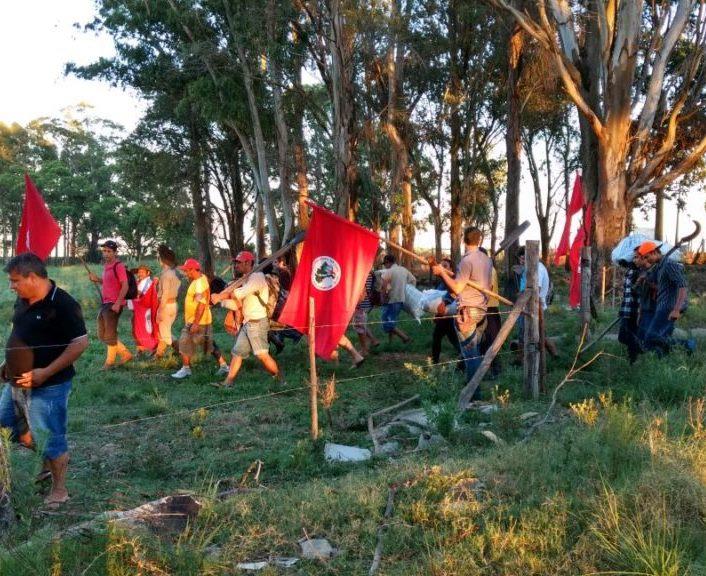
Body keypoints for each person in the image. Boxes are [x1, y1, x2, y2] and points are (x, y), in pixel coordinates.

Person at [0, 253, 89, 507]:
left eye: (15, 280)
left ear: (32, 277)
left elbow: (80, 343)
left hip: (49, 385)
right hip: (17, 380)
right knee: (7, 426)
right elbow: (22, 332)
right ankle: (46, 460)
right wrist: (9, 363)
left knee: (50, 437)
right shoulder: (23, 300)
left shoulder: (63, 304)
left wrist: (45, 372)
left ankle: (59, 490)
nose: (11, 286)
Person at [432, 226, 492, 400]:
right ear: (479, 240)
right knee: (475, 352)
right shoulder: (487, 260)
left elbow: (457, 288)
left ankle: (474, 395)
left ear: (463, 240)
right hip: (482, 310)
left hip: (468, 312)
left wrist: (442, 273)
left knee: (470, 355)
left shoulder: (466, 261)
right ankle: (473, 388)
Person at [211, 251, 286, 388]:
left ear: (247, 263)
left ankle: (280, 379)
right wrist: (222, 300)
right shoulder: (247, 277)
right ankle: (228, 383)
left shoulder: (256, 278)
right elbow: (238, 301)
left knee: (262, 355)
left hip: (257, 323)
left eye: (238, 262)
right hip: (248, 322)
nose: (236, 265)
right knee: (237, 353)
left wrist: (219, 297)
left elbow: (239, 294)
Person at [171, 258, 228, 379]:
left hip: (197, 321)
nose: (186, 273)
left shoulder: (200, 283)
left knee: (184, 342)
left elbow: (201, 304)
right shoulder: (199, 280)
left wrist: (195, 323)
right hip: (202, 320)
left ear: (192, 270)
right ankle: (224, 366)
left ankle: (186, 369)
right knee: (209, 344)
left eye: (187, 270)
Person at [637, 241, 695, 356]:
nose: (647, 261)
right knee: (656, 338)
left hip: (669, 307)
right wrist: (647, 282)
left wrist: (676, 309)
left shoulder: (669, 264)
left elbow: (682, 285)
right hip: (662, 305)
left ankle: (688, 344)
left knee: (650, 337)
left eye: (647, 257)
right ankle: (663, 358)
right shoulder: (660, 266)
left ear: (654, 252)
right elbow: (663, 287)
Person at [87, 240, 132, 369]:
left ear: (115, 252)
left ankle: (109, 362)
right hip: (105, 303)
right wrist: (98, 280)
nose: (106, 254)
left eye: (109, 251)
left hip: (113, 304)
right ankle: (125, 353)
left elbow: (125, 286)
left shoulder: (118, 266)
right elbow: (109, 283)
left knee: (110, 334)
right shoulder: (106, 266)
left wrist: (118, 303)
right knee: (102, 334)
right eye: (104, 251)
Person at [430, 258, 461, 366]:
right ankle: (464, 358)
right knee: (447, 337)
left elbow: (452, 295)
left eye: (445, 266)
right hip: (442, 315)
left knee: (442, 337)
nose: (442, 268)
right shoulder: (442, 281)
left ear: (451, 269)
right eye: (441, 266)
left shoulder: (452, 281)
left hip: (449, 314)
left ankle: (435, 362)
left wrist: (445, 302)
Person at [380, 254, 415, 344]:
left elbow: (384, 287)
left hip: (389, 300)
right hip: (400, 299)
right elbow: (413, 280)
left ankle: (405, 338)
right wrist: (408, 290)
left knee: (386, 324)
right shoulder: (404, 270)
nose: (385, 266)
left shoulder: (388, 272)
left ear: (388, 262)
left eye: (385, 264)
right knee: (391, 320)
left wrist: (383, 298)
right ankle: (391, 342)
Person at [478, 249, 502, 377]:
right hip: (484, 308)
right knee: (482, 340)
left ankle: (495, 369)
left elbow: (488, 290)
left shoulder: (488, 270)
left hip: (489, 308)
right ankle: (480, 367)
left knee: (491, 339)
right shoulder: (485, 269)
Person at [155, 245, 180, 358]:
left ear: (162, 259)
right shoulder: (173, 272)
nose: (157, 259)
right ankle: (158, 354)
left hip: (166, 305)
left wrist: (159, 310)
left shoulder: (166, 275)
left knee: (165, 334)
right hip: (173, 304)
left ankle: (182, 351)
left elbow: (165, 294)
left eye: (158, 257)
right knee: (165, 332)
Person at [128, 265, 159, 355]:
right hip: (137, 311)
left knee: (146, 330)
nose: (139, 274)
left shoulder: (147, 282)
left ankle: (154, 349)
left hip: (143, 311)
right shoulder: (140, 281)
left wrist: (127, 287)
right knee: (137, 330)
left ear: (148, 273)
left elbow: (138, 294)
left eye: (142, 272)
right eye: (139, 272)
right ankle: (140, 349)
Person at [616, 258, 641, 363]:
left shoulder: (637, 273)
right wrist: (621, 310)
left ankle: (635, 357)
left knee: (627, 336)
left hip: (633, 310)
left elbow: (638, 293)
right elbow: (626, 294)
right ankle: (634, 355)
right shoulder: (629, 272)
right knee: (623, 337)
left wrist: (640, 311)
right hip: (626, 310)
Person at [351, 270, 380, 356]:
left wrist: (357, 302)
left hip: (361, 303)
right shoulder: (371, 272)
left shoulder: (362, 272)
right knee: (361, 323)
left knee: (359, 325)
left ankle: (365, 349)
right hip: (367, 302)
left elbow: (361, 289)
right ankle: (373, 340)